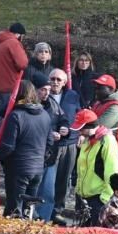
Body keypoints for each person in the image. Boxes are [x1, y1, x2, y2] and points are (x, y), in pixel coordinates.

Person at [0, 84, 54, 217]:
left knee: (14, 209)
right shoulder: (44, 114)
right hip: (37, 169)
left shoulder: (15, 115)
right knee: (29, 210)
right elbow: (50, 141)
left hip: (18, 168)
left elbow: (8, 146)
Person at [39, 69, 79, 220]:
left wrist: (70, 131)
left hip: (68, 143)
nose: (55, 82)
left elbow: (76, 116)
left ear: (64, 82)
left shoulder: (72, 96)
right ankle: (42, 212)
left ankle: (56, 211)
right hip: (48, 145)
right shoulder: (43, 97)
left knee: (63, 179)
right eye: (52, 78)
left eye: (58, 79)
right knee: (47, 181)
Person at [74, 107, 118, 225]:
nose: (79, 132)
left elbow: (113, 172)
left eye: (81, 129)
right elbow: (82, 169)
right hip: (83, 198)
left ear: (90, 126)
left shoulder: (107, 141)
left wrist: (104, 199)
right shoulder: (88, 140)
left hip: (98, 199)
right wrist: (78, 192)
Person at [0, 22, 28, 111]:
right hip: (11, 85)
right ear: (19, 35)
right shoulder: (14, 43)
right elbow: (22, 64)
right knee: (10, 112)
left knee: (2, 111)